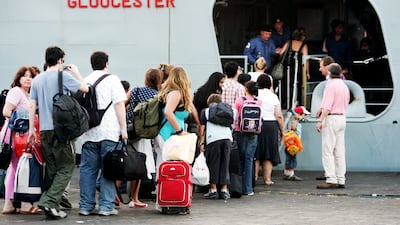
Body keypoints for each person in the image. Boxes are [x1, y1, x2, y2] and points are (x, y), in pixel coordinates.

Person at [28, 46, 89, 219]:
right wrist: (76, 72)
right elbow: (85, 88)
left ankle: (52, 207)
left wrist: (32, 128)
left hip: (44, 130)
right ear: (61, 59)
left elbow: (32, 105)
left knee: (52, 168)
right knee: (67, 166)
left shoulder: (37, 80)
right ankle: (49, 201)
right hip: (62, 130)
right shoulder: (64, 76)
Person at [78, 51, 127, 216]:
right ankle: (106, 206)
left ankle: (85, 206)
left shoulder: (84, 80)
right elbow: (119, 105)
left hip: (88, 133)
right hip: (109, 132)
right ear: (106, 63)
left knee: (87, 170)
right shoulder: (113, 79)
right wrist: (124, 129)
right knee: (109, 169)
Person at [1, 66, 39, 215]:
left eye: (31, 76)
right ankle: (19, 203)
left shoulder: (29, 95)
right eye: (25, 76)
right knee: (17, 168)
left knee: (19, 168)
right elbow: (6, 111)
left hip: (22, 136)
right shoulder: (16, 92)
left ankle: (12, 203)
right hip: (15, 135)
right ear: (19, 78)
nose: (28, 79)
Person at [124, 68, 163, 208]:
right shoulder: (159, 96)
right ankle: (134, 198)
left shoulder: (136, 90)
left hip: (128, 129)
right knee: (140, 165)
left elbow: (123, 102)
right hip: (144, 133)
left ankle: (115, 196)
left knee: (122, 161)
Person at [316, 63, 350, 189]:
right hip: (342, 117)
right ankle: (341, 178)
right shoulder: (344, 85)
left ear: (330, 73)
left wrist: (320, 120)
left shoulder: (331, 86)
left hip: (331, 118)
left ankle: (331, 178)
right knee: (340, 150)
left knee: (328, 150)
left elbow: (327, 106)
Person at [199, 94, 233, 200]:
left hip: (213, 139)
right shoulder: (227, 110)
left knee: (213, 163)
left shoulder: (206, 111)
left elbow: (202, 129)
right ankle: (224, 190)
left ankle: (213, 190)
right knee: (225, 163)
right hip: (227, 138)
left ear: (209, 102)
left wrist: (202, 143)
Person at [254, 75, 284, 185]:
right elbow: (279, 115)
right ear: (270, 84)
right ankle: (267, 179)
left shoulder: (255, 94)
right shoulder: (273, 96)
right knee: (269, 153)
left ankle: (254, 177)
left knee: (256, 152)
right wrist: (282, 130)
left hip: (257, 123)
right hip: (270, 125)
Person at [234, 81, 261, 196]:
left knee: (240, 159)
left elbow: (235, 116)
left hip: (240, 131)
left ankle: (238, 187)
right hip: (254, 133)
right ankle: (248, 189)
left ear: (246, 89)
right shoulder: (258, 102)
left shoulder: (240, 101)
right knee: (249, 160)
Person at [279, 27, 311, 108]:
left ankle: (286, 103)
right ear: (302, 36)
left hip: (287, 68)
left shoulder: (288, 42)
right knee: (297, 85)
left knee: (286, 85)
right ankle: (297, 103)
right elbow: (306, 59)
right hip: (298, 69)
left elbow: (281, 53)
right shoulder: (303, 45)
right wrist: (307, 72)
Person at [283, 106, 310, 181]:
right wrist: (296, 118)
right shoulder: (294, 121)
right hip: (292, 145)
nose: (304, 117)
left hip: (294, 145)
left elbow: (305, 119)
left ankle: (287, 173)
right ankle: (290, 174)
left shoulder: (298, 122)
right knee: (292, 160)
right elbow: (293, 128)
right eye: (304, 115)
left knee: (290, 159)